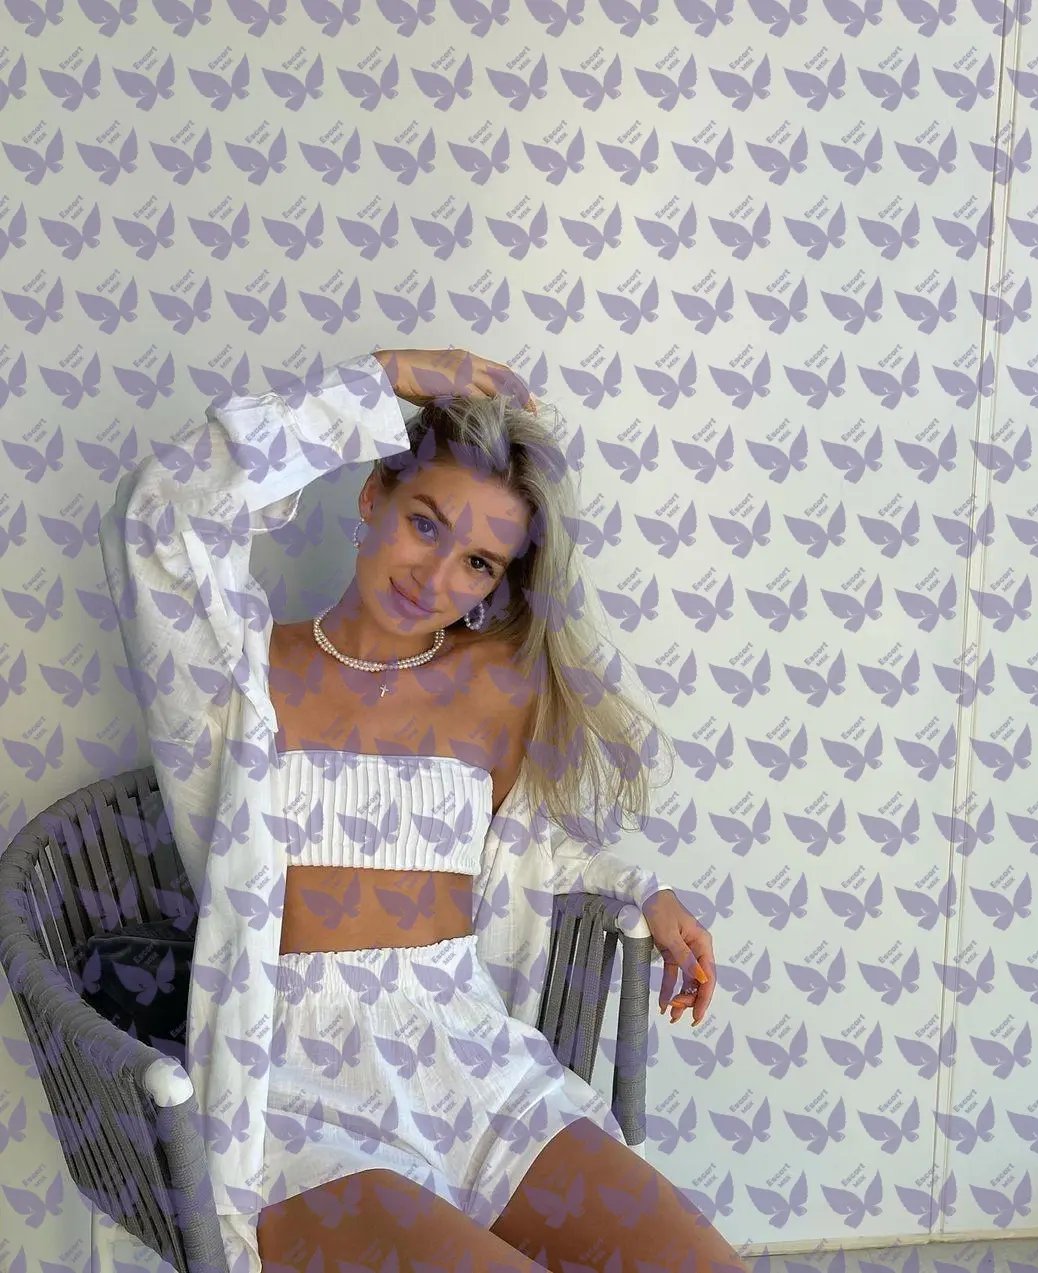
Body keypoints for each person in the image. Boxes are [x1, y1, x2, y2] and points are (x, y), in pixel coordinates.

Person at [98, 346, 746, 1273]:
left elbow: (519, 849)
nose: (435, 576)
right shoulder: (237, 677)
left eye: (477, 561)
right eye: (424, 523)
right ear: (373, 497)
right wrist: (384, 378)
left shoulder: (494, 686)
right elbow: (161, 510)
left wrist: (644, 889)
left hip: (471, 1056)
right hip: (295, 1074)